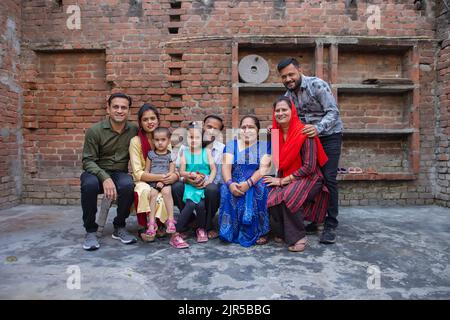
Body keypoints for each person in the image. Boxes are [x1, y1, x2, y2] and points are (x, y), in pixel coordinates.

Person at [277, 57, 343, 244]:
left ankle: (331, 224)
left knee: (329, 179)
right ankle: (315, 219)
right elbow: (291, 120)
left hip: (329, 136)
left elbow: (333, 112)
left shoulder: (317, 85)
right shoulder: (288, 96)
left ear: (299, 70)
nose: (288, 79)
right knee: (312, 179)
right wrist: (275, 128)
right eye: (284, 77)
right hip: (307, 140)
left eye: (291, 74)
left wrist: (318, 128)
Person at [264, 96, 330, 252]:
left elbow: (309, 166)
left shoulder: (305, 132)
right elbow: (275, 161)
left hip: (310, 177)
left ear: (292, 111)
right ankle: (283, 232)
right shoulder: (275, 134)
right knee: (271, 197)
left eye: (284, 110)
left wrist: (282, 181)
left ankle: (299, 236)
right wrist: (277, 179)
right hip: (286, 175)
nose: (280, 113)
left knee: (289, 196)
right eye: (277, 111)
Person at [81, 92, 138, 251]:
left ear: (129, 111)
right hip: (96, 171)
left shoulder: (134, 129)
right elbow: (87, 160)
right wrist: (105, 178)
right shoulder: (95, 130)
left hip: (119, 172)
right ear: (108, 109)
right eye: (116, 107)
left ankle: (119, 227)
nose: (120, 111)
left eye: (124, 108)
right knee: (89, 185)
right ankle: (90, 231)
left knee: (128, 185)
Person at [219, 115, 272, 247]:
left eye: (251, 127)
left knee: (262, 187)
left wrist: (249, 183)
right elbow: (226, 167)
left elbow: (263, 169)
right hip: (235, 181)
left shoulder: (265, 146)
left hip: (255, 180)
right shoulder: (232, 145)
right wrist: (230, 184)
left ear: (258, 131)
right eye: (243, 127)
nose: (246, 130)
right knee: (225, 189)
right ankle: (231, 230)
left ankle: (261, 231)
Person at [129, 104, 179, 242]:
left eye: (153, 118)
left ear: (158, 120)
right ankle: (146, 226)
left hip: (163, 178)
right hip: (144, 179)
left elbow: (171, 163)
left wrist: (174, 175)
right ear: (140, 122)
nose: (150, 122)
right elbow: (138, 173)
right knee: (145, 191)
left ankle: (163, 223)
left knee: (165, 193)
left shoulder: (164, 137)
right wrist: (161, 178)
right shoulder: (135, 141)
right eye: (145, 119)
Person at [172, 115, 225, 239]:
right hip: (189, 182)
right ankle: (189, 221)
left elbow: (217, 175)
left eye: (215, 129)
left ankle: (207, 225)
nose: (211, 131)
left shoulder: (221, 149)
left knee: (212, 190)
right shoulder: (186, 147)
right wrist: (188, 178)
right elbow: (179, 170)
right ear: (203, 127)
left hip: (208, 184)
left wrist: (205, 181)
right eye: (209, 126)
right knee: (176, 187)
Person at [143, 127, 177, 241]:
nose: (160, 142)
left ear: (168, 140)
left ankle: (170, 220)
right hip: (153, 181)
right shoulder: (151, 155)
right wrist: (151, 181)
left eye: (163, 139)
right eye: (157, 140)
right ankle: (151, 223)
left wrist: (163, 181)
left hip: (165, 181)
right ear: (153, 141)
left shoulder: (170, 155)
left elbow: (172, 171)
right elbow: (147, 171)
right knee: (152, 195)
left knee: (167, 193)